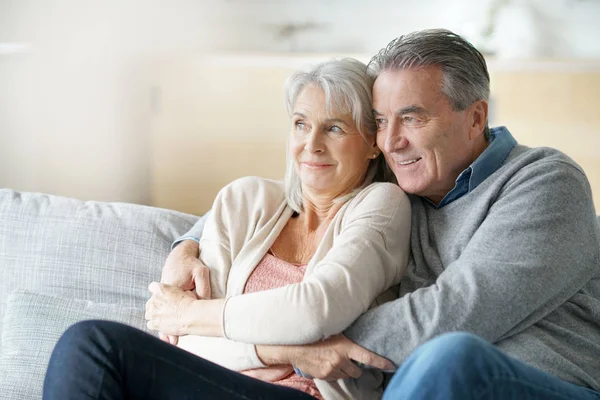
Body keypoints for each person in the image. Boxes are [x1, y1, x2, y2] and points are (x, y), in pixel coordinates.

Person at [163, 29, 600, 399]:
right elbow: (297, 188)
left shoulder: (544, 181)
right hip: (418, 384)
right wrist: (189, 242)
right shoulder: (402, 179)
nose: (391, 141)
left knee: (451, 356)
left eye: (411, 119)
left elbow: (461, 309)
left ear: (475, 118)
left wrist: (303, 340)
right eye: (380, 122)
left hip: (542, 381)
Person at [43, 58, 412, 399]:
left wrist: (189, 314)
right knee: (84, 352)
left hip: (305, 395)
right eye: (301, 124)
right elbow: (183, 342)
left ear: (372, 145)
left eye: (334, 128)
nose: (311, 145)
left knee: (93, 343)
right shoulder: (245, 199)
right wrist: (276, 352)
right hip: (211, 386)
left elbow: (316, 309)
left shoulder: (382, 204)